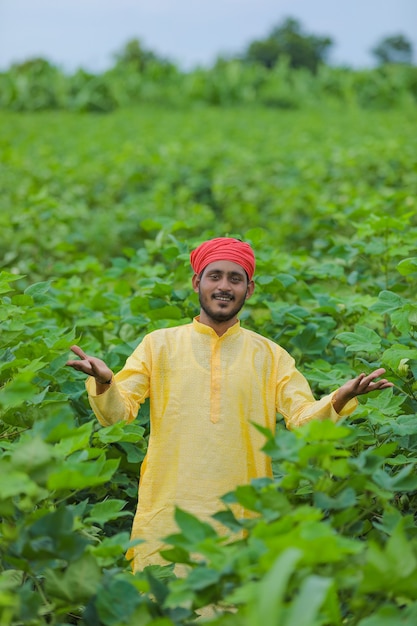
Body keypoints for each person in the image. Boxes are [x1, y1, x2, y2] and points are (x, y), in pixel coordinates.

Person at [66, 237, 393, 573]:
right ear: (197, 282)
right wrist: (106, 381)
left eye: (235, 279)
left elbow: (303, 420)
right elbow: (117, 415)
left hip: (242, 516)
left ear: (249, 289)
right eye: (215, 276)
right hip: (169, 516)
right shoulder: (158, 345)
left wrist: (340, 398)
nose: (224, 286)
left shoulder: (270, 355)